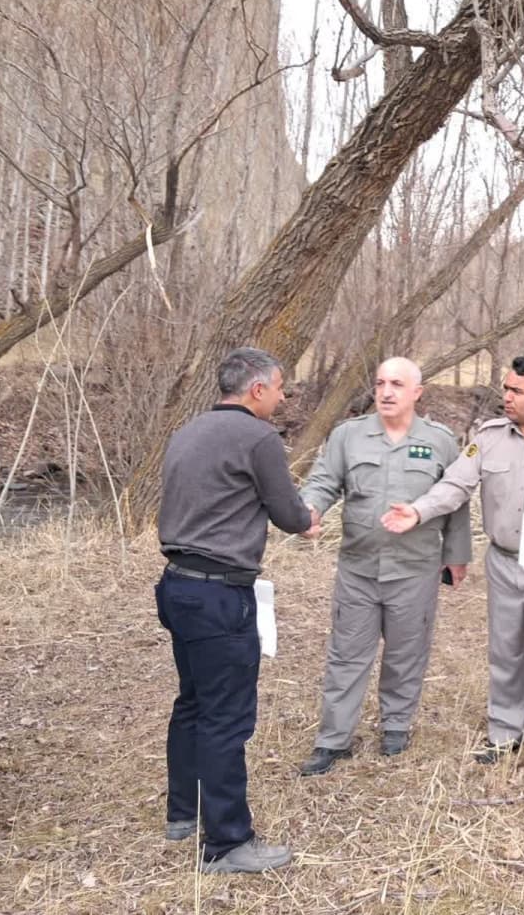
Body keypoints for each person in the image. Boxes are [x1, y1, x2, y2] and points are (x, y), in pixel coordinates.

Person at [381, 356, 524, 772]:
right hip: (504, 561)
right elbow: (455, 484)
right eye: (506, 388)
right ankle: (504, 732)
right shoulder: (488, 437)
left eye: (516, 391)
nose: (505, 396)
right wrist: (418, 511)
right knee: (505, 652)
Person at [156, 347, 320, 874]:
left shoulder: (187, 431)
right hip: (221, 595)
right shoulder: (258, 437)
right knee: (226, 718)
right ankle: (227, 843)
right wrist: (308, 520)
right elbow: (288, 512)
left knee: (193, 702)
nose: (282, 397)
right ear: (257, 389)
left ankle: (183, 813)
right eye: (280, 388)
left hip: (177, 585)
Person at [297, 358, 472, 776]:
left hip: (415, 568)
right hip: (358, 567)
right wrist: (309, 508)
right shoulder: (348, 435)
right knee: (346, 655)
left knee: (406, 653)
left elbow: (456, 501)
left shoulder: (440, 441)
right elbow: (323, 481)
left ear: (417, 392)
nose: (386, 392)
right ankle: (333, 739)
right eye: (380, 383)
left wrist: (457, 555)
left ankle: (396, 725)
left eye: (396, 384)